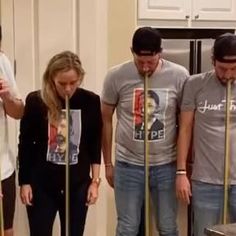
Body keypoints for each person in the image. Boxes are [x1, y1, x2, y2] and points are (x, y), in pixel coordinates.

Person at [101, 26, 189, 236]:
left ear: (160, 53)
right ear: (132, 51)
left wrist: (183, 168)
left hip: (166, 164)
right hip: (128, 164)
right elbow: (105, 120)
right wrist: (108, 164)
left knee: (168, 227)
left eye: (151, 62)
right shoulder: (116, 75)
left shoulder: (179, 75)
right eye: (140, 62)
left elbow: (185, 123)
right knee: (127, 228)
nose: (146, 68)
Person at [18, 51, 102, 236]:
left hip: (77, 184)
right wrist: (24, 182)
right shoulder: (36, 101)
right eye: (62, 84)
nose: (67, 89)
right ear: (51, 79)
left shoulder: (91, 101)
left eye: (73, 83)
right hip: (42, 184)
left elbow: (95, 143)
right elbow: (25, 145)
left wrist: (95, 182)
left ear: (80, 78)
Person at [176, 33, 236, 236]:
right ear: (212, 62)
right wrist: (181, 172)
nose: (228, 75)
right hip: (206, 180)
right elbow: (184, 129)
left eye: (234, 69)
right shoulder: (195, 84)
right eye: (222, 68)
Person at [0, 25, 24, 236]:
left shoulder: (2, 62)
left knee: (7, 231)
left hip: (3, 168)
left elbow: (18, 112)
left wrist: (7, 97)